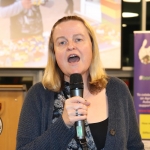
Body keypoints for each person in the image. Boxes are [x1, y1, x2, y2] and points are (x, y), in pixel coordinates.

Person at [16, 15, 144, 150]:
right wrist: (64, 124)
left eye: (78, 39)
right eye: (62, 42)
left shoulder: (117, 90)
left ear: (92, 46)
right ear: (54, 54)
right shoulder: (38, 95)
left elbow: (134, 146)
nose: (71, 46)